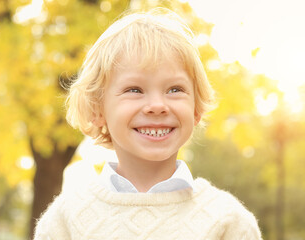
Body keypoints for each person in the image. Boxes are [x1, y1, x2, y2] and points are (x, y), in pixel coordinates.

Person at [33, 7, 262, 240]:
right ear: (97, 110)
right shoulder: (65, 221)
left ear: (196, 109)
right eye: (134, 89)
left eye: (175, 89)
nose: (157, 105)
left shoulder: (228, 222)